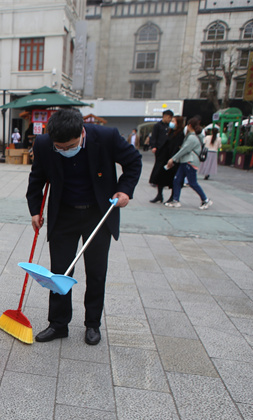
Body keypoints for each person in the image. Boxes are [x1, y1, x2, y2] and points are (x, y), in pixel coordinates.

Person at [26, 108, 141, 346]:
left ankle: (92, 324)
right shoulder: (44, 143)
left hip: (98, 213)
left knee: (96, 272)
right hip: (64, 214)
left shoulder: (106, 137)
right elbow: (36, 178)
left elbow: (133, 162)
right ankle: (58, 324)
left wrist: (125, 190)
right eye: (60, 147)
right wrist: (35, 210)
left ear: (82, 133)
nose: (65, 151)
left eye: (70, 146)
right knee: (60, 272)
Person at [165, 116, 213, 210]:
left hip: (189, 162)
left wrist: (173, 159)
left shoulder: (191, 138)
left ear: (190, 125)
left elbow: (184, 150)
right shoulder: (192, 136)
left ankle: (205, 200)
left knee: (192, 182)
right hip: (185, 162)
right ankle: (175, 200)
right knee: (177, 180)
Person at [149, 116, 185, 203]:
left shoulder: (180, 134)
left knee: (172, 179)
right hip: (164, 157)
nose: (171, 122)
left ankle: (173, 196)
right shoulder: (170, 131)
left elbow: (177, 147)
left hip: (172, 159)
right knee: (159, 176)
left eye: (173, 121)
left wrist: (173, 158)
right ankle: (159, 195)